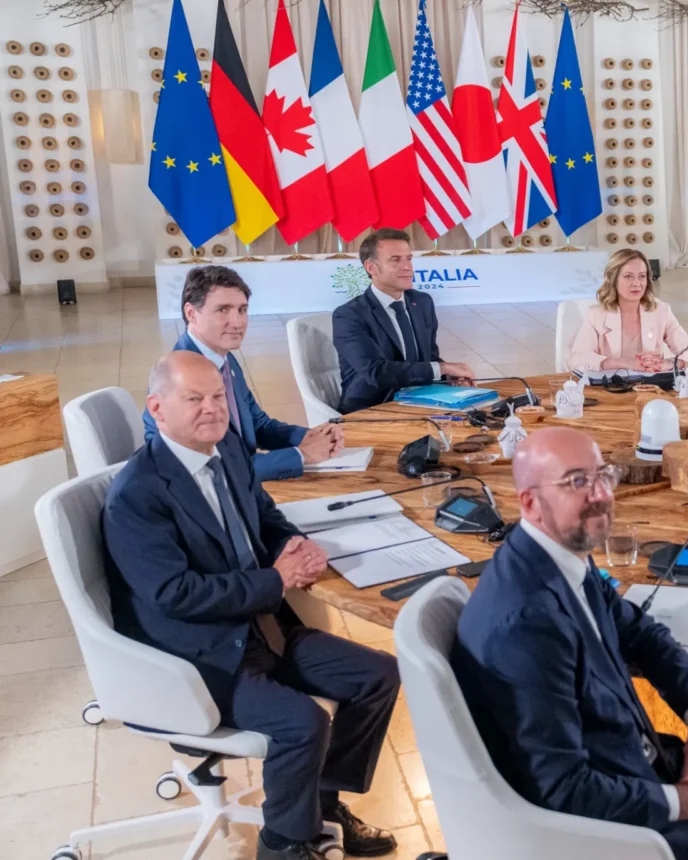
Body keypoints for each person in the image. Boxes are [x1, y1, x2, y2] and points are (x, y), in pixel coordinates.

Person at [451, 427, 688, 860]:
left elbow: (646, 636)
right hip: (597, 825)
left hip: (629, 759)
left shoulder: (561, 561)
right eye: (577, 482)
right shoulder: (527, 622)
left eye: (603, 474)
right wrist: (684, 803)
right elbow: (562, 788)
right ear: (530, 502)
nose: (601, 494)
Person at [104, 352, 400, 860]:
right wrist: (276, 579)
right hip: (204, 653)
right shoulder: (137, 495)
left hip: (264, 627)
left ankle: (323, 806)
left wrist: (294, 544)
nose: (211, 409)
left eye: (218, 397)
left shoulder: (231, 451)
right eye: (193, 399)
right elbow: (177, 595)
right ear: (157, 408)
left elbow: (264, 516)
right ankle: (284, 843)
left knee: (380, 674)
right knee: (304, 724)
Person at [141, 266, 344, 481]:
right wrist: (301, 455)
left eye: (242, 310)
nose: (237, 323)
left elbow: (259, 425)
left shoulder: (225, 359)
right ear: (191, 313)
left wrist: (312, 436)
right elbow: (214, 469)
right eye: (223, 310)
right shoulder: (181, 378)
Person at [332, 227, 476, 413]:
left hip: (422, 398)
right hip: (373, 408)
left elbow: (428, 359)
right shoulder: (349, 315)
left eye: (409, 259)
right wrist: (441, 368)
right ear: (371, 267)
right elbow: (376, 373)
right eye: (395, 260)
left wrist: (448, 376)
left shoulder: (422, 302)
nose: (407, 267)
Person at [567, 249, 688, 374]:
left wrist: (670, 364)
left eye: (642, 276)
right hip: (612, 389)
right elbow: (579, 359)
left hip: (653, 388)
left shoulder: (661, 310)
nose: (637, 283)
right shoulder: (596, 315)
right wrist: (626, 363)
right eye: (628, 276)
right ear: (613, 279)